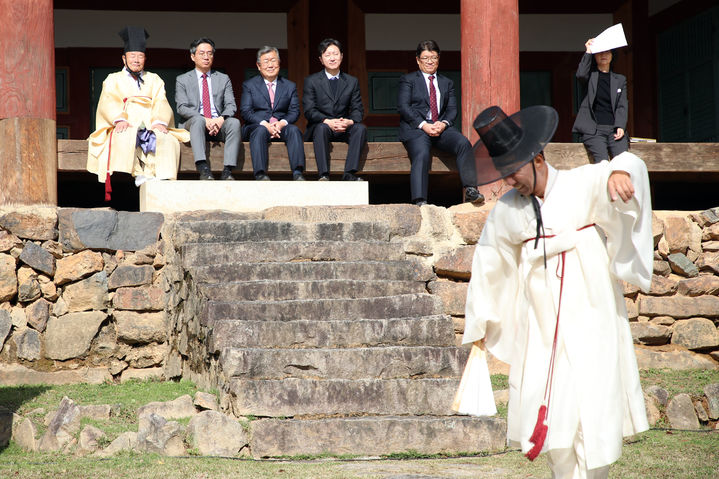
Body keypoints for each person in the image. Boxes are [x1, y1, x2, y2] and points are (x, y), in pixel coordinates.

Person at [462, 105, 651, 478]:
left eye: (514, 170)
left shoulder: (582, 181)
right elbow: (489, 262)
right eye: (503, 173)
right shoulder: (507, 210)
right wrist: (480, 321)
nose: (510, 180)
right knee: (548, 403)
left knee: (591, 402)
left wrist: (618, 171)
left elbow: (633, 163)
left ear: (538, 158)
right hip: (542, 321)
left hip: (591, 309)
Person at [87, 26, 190, 200]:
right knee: (127, 134)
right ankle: (138, 172)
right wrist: (118, 119)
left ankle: (155, 173)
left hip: (150, 119)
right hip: (126, 120)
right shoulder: (113, 79)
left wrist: (160, 121)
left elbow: (161, 101)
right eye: (132, 56)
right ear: (124, 58)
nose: (136, 60)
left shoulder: (154, 78)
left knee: (167, 139)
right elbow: (108, 101)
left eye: (140, 56)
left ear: (145, 58)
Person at [397, 40, 483, 206]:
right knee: (421, 152)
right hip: (417, 128)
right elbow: (403, 107)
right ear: (418, 60)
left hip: (440, 127)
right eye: (426, 58)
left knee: (463, 143)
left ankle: (471, 189)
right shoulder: (408, 80)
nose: (430, 61)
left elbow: (452, 110)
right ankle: (420, 200)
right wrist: (424, 125)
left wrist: (443, 123)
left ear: (438, 59)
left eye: (433, 57)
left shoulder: (446, 82)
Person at [175, 37, 241, 181]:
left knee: (234, 123)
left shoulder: (223, 79)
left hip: (218, 122)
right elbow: (181, 107)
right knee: (198, 120)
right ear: (193, 56)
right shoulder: (183, 79)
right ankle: (203, 167)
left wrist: (220, 119)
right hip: (194, 124)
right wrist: (205, 119)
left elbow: (231, 105)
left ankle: (228, 170)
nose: (206, 57)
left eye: (210, 53)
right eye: (202, 53)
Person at [303, 38, 366, 181]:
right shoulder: (311, 81)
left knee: (360, 129)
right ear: (321, 59)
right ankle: (324, 174)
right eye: (327, 55)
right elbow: (309, 110)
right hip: (323, 125)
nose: (332, 58)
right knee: (320, 128)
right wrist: (327, 121)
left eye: (335, 54)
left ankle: (349, 173)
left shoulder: (351, 81)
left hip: (343, 125)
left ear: (342, 56)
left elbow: (358, 109)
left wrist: (349, 121)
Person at [240, 46, 305, 181]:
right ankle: (260, 173)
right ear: (258, 66)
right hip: (256, 125)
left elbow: (294, 111)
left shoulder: (289, 86)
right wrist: (265, 124)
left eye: (273, 60)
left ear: (279, 64)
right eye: (266, 61)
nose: (270, 65)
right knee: (260, 131)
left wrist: (281, 124)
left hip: (280, 126)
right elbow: (246, 111)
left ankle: (298, 172)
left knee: (294, 130)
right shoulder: (249, 85)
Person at [572, 38, 628, 163]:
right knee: (602, 164)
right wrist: (588, 51)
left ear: (612, 55)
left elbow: (622, 105)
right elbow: (580, 74)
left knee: (624, 162)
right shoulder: (590, 76)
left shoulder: (620, 79)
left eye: (607, 52)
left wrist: (620, 126)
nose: (604, 55)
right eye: (600, 52)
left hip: (614, 130)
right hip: (594, 130)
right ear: (595, 56)